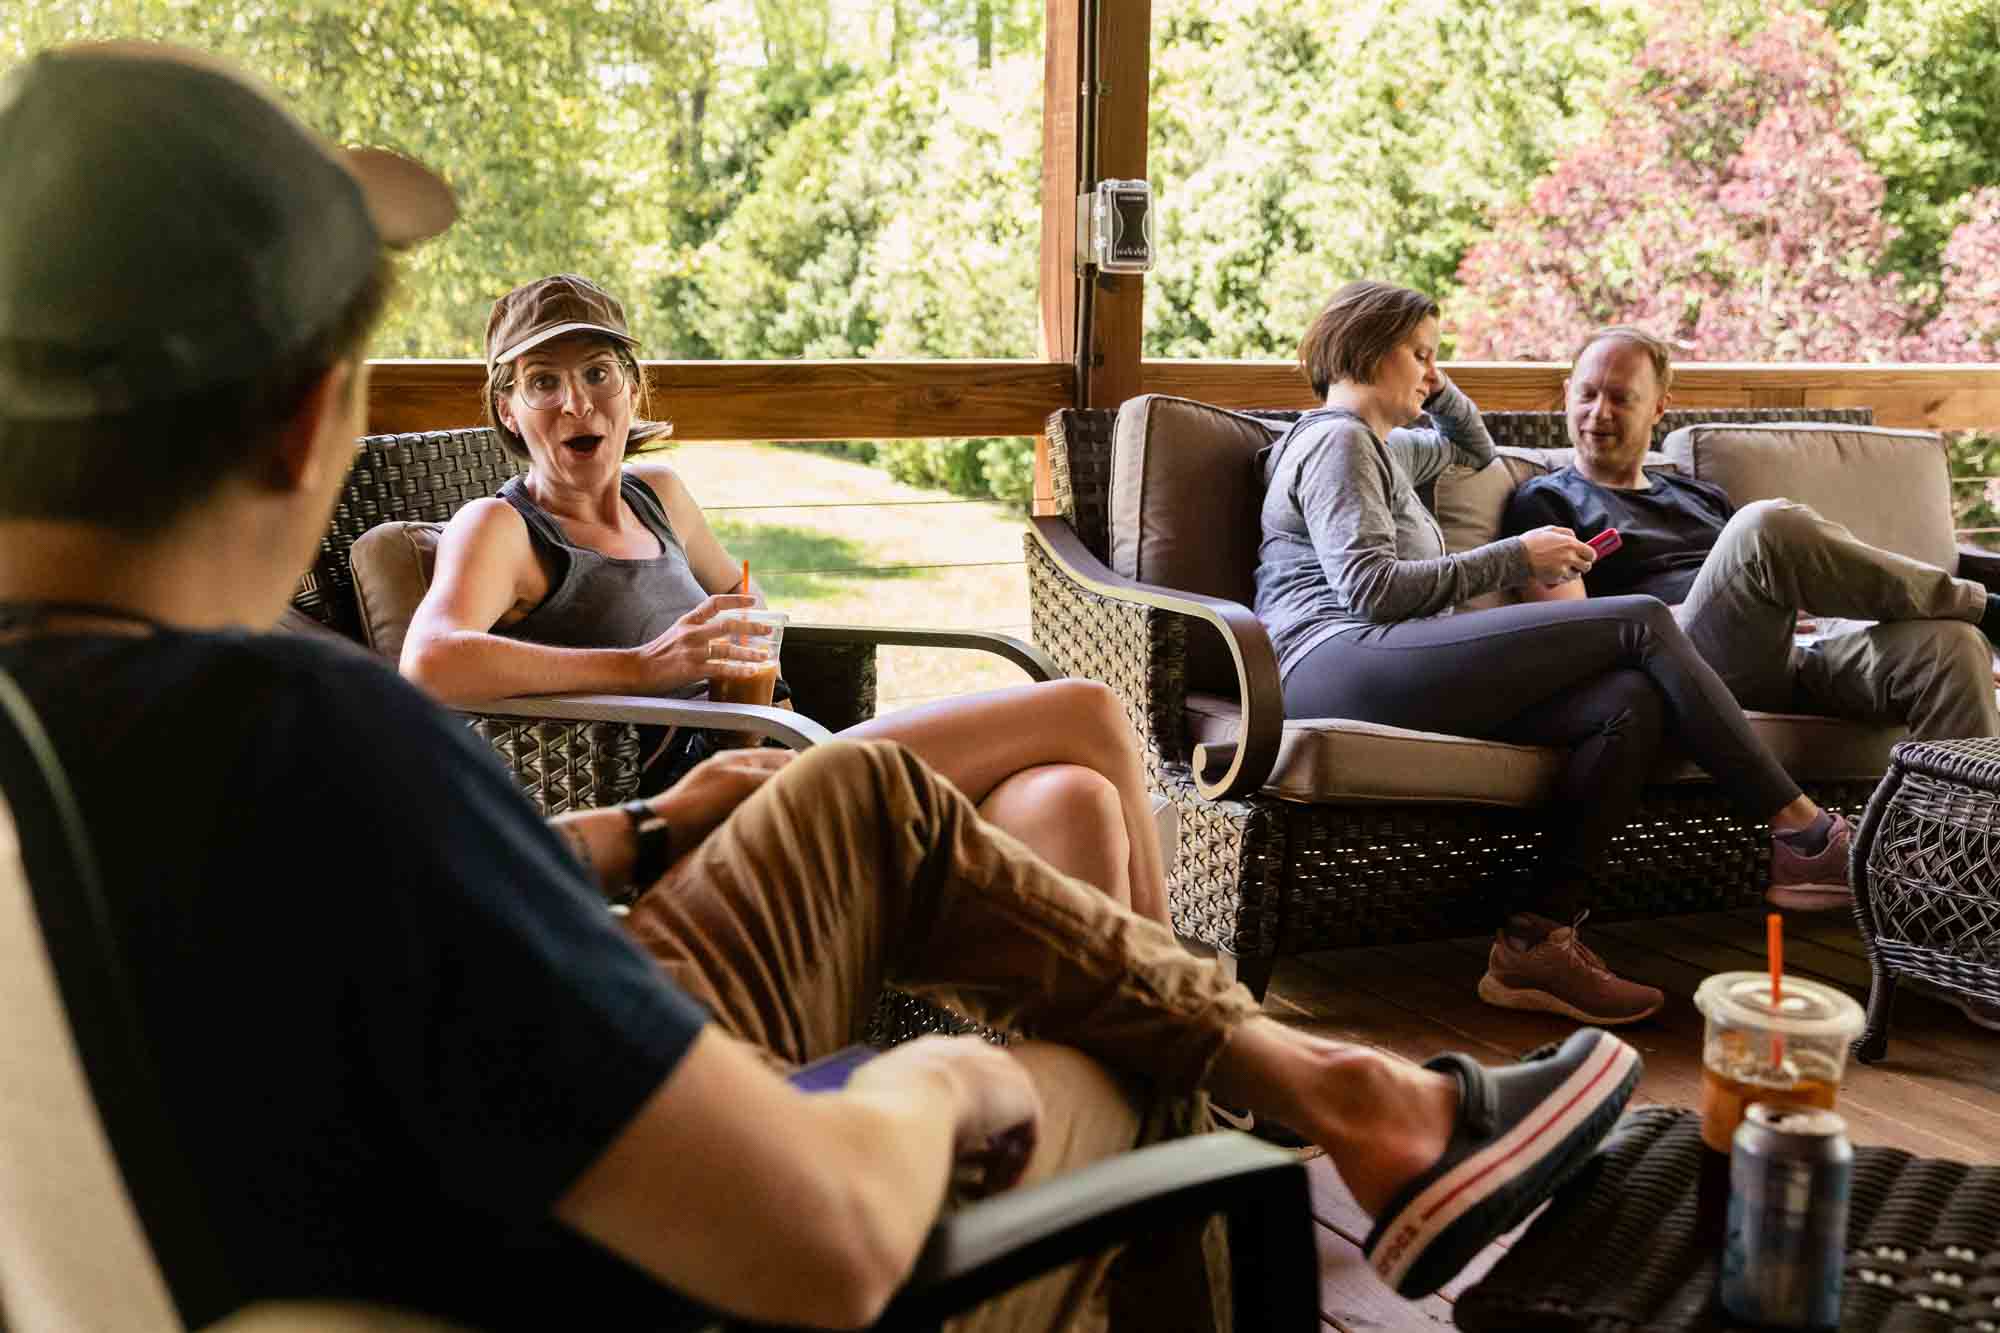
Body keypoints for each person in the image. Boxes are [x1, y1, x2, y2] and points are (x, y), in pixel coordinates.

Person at [0, 42, 1644, 1330]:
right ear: (307, 425)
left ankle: (1339, 1114)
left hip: (450, 1134)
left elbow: (334, 934)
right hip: (684, 1259)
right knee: (1091, 1017)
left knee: (872, 791)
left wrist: (644, 824)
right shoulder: (298, 729)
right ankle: (1307, 1157)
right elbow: (832, 1245)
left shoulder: (93, 732)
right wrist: (942, 1076)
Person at [397, 273, 1169, 925]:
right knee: (1087, 709)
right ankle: (1192, 1016)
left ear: (632, 387)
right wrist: (645, 664)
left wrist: (748, 642)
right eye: (543, 383)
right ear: (508, 410)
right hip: (714, 809)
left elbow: (748, 607)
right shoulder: (501, 526)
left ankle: (1127, 1087)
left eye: (598, 372)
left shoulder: (658, 495)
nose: (577, 403)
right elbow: (427, 663)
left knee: (1077, 802)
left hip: (789, 753)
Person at [1256, 281, 1856, 1026]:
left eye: (1434, 358)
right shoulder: (1336, 440)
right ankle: (1803, 832)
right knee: (1637, 619)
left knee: (1626, 706)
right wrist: (1515, 557)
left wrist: (1437, 388)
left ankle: (1537, 939)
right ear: (1374, 349)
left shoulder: (1382, 445)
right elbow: (1371, 589)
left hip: (1385, 657)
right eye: (1420, 354)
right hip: (1332, 659)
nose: (1430, 371)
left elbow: (1471, 450)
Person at [1504, 325, 2000, 766]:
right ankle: (1981, 605)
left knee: (1953, 647)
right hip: (1687, 661)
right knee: (1764, 524)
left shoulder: (1698, 495)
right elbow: (1570, 634)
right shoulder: (1545, 503)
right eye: (1587, 394)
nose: (1599, 413)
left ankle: (1959, 859)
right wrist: (1661, 620)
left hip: (1791, 647)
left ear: (1659, 406)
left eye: (1620, 398)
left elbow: (1758, 582)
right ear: (1567, 394)